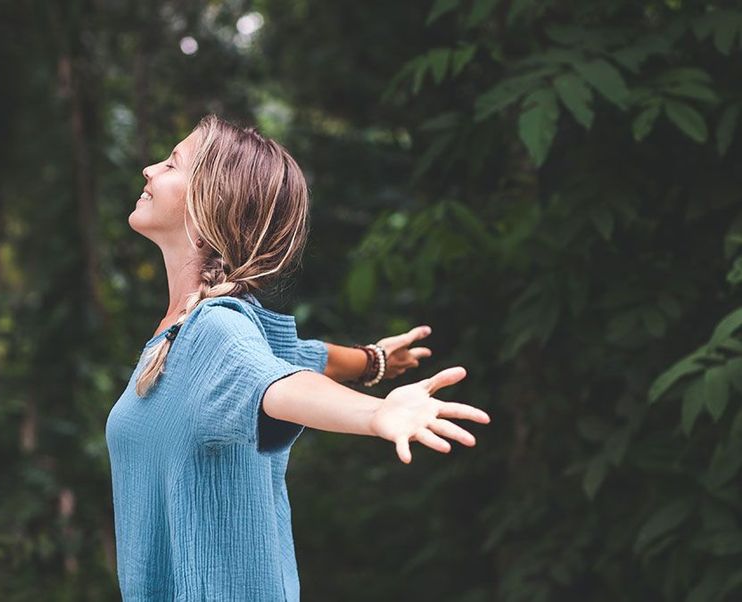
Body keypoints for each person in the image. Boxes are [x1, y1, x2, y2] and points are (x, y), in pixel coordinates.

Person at [105, 114, 491, 601]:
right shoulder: (185, 335)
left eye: (172, 163)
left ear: (210, 202)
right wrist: (370, 362)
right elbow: (296, 358)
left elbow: (281, 384)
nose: (149, 169)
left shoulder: (215, 331)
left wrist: (377, 413)